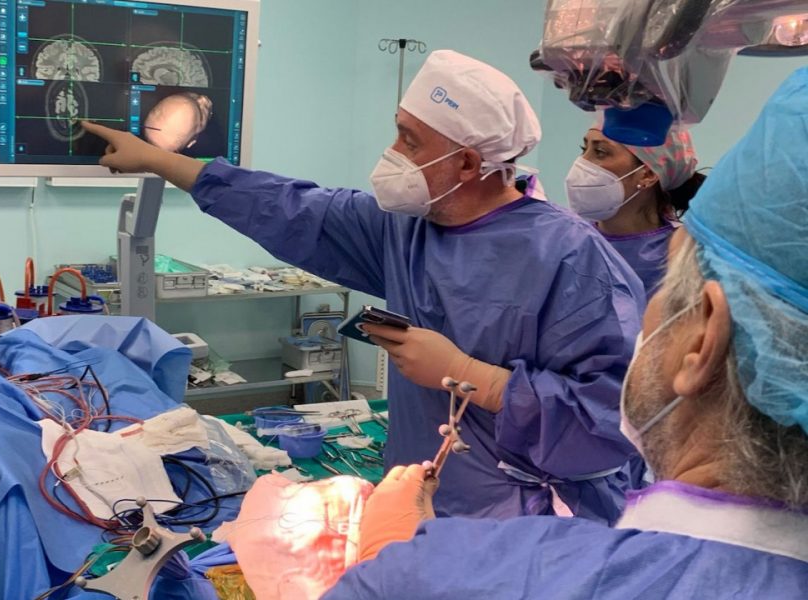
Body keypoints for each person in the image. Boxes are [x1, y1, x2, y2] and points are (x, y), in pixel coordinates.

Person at [82, 50, 645, 523]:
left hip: (525, 528)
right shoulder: (405, 230)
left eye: (409, 140)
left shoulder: (571, 260)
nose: (393, 153)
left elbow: (612, 419)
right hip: (420, 503)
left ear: (468, 163)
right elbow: (288, 207)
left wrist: (472, 377)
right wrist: (157, 159)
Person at [325, 66, 808, 599]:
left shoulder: (488, 578)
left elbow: (598, 417)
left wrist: (395, 561)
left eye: (667, 295)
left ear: (701, 341)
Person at [566, 116, 705, 299]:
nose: (582, 163)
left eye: (600, 152)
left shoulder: (685, 257)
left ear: (647, 174)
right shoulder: (569, 242)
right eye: (584, 149)